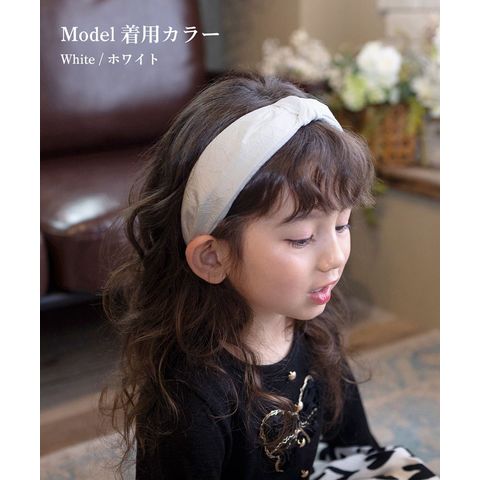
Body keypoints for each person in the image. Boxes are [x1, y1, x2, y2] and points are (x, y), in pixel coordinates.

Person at [101, 72, 438, 479]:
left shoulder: (312, 331)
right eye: (301, 238)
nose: (335, 258)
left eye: (342, 224)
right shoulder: (192, 396)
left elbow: (359, 450)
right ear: (213, 257)